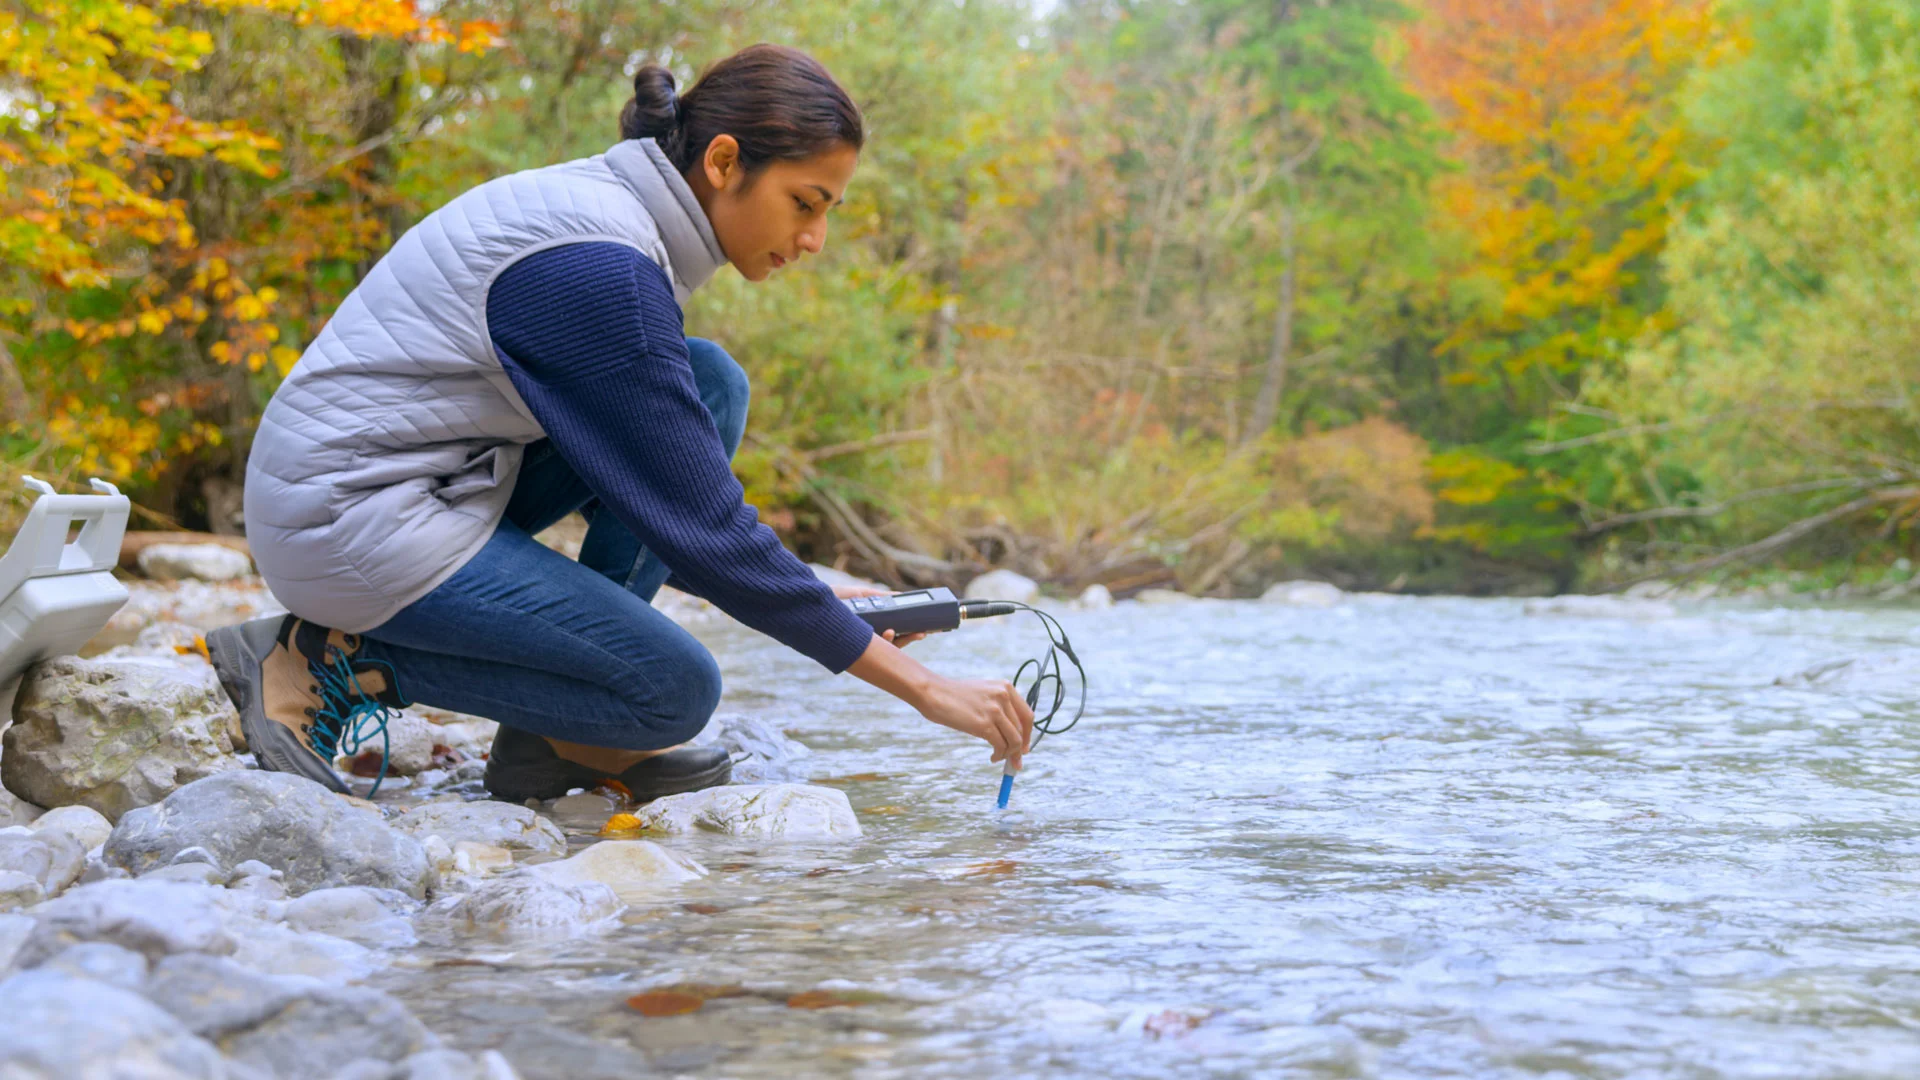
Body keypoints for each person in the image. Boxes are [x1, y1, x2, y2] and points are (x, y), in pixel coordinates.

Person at [207, 44, 1034, 802]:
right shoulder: (601, 268)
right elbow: (704, 528)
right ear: (722, 163)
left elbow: (671, 499)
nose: (814, 238)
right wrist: (922, 688)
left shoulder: (616, 224)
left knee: (710, 382)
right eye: (805, 203)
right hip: (348, 517)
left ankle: (551, 739)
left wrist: (817, 590)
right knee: (671, 691)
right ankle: (333, 661)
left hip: (432, 483)